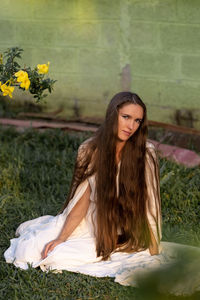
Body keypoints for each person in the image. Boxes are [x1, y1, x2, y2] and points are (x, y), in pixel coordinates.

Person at [4, 92, 162, 283]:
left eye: (137, 121)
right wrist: (61, 238)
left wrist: (154, 250)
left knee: (58, 257)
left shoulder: (146, 153)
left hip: (123, 232)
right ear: (113, 115)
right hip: (89, 222)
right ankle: (49, 231)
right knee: (28, 251)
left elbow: (151, 204)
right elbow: (82, 200)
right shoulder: (88, 150)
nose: (131, 126)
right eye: (126, 117)